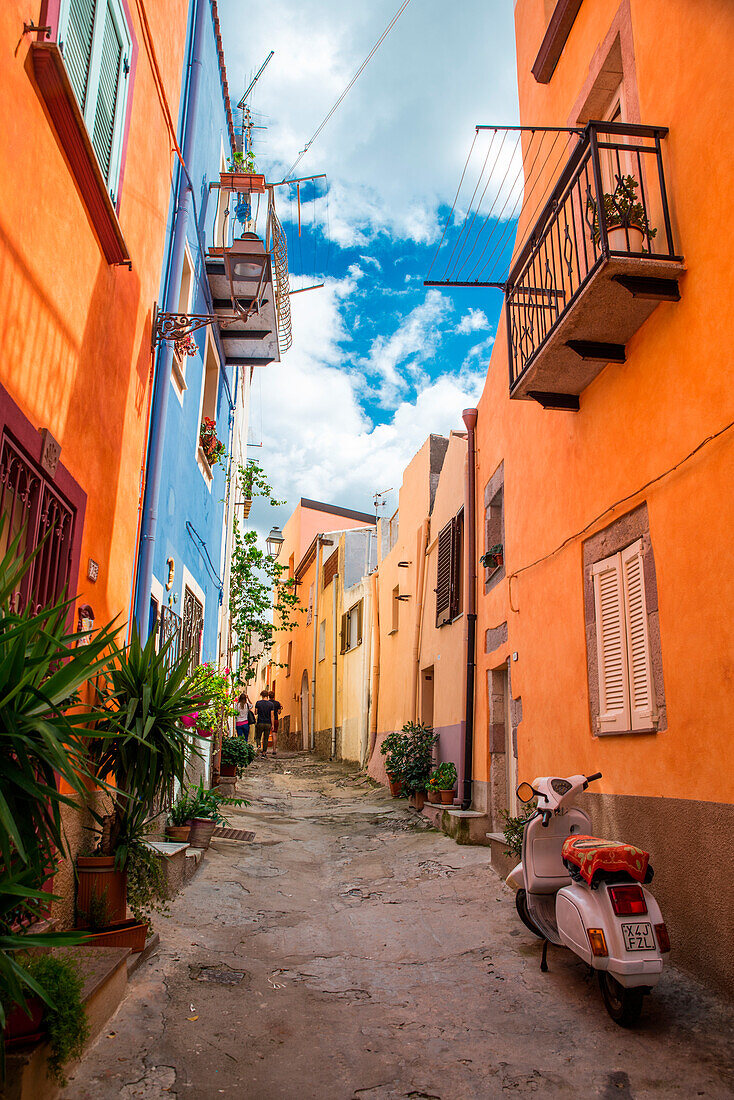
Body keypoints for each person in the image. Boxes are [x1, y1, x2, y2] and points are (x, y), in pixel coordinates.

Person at [254, 689, 273, 755]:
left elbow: (255, 712)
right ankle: (264, 752)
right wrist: (272, 724)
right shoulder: (271, 704)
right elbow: (272, 715)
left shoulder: (258, 703)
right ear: (267, 696)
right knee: (266, 738)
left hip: (260, 722)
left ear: (261, 695)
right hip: (268, 723)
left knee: (258, 736)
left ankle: (259, 745)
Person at [268, 690, 282, 757]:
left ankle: (263, 749)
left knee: (266, 734)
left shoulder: (267, 703)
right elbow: (279, 712)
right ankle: (274, 749)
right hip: (275, 719)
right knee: (274, 734)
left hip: (268, 719)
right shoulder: (277, 703)